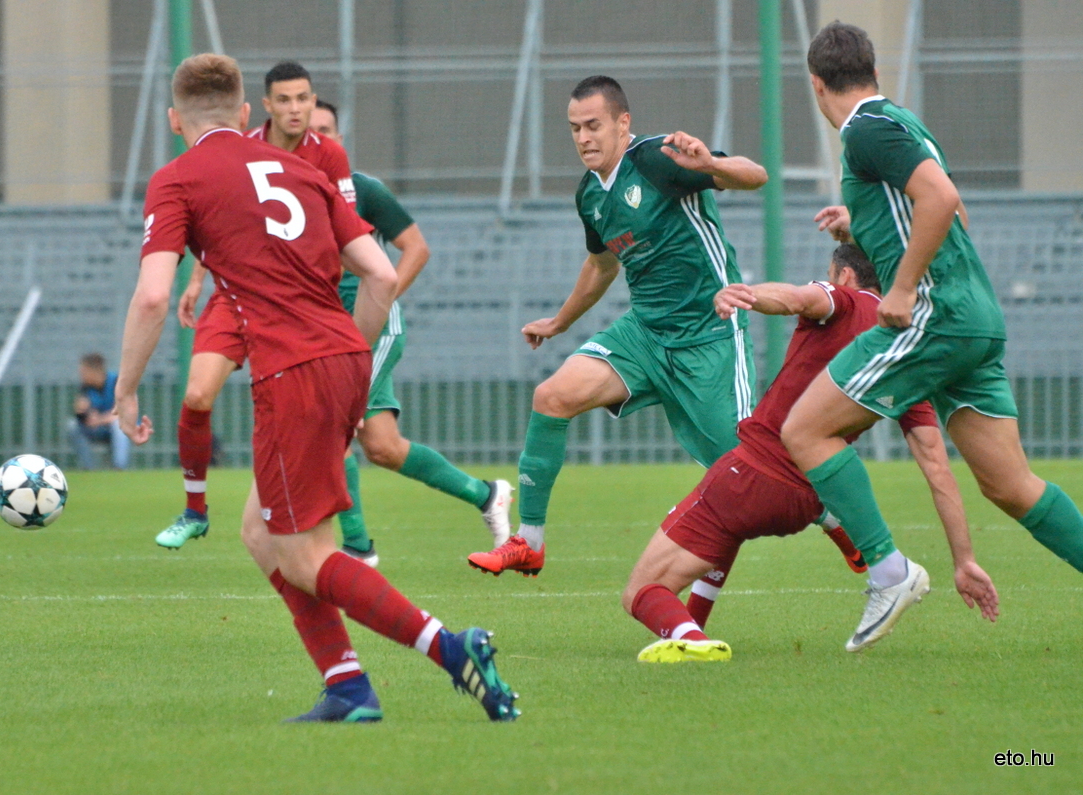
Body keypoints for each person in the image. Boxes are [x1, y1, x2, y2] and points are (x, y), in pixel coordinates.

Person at [115, 54, 519, 722]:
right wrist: (351, 359)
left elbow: (154, 296)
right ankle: (347, 684)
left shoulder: (177, 178)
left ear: (173, 120)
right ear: (249, 113)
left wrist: (125, 391)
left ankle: (451, 647)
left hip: (291, 371)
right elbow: (382, 277)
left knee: (305, 554)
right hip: (344, 354)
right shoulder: (309, 168)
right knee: (258, 531)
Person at [782, 21, 1083, 652]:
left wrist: (901, 287)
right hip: (974, 316)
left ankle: (889, 573)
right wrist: (860, 227)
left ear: (816, 83)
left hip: (935, 314)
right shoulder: (903, 122)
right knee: (1010, 485)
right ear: (873, 71)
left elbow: (942, 200)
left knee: (804, 431)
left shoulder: (864, 129)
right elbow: (951, 211)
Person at [623, 244, 999, 662]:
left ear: (843, 275)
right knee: (724, 530)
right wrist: (964, 560)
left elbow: (798, 298)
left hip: (754, 472)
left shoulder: (845, 299)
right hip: (805, 498)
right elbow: (937, 469)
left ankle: (691, 640)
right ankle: (697, 624)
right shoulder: (903, 356)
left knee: (639, 591)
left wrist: (746, 294)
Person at [468, 75, 767, 577]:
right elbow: (603, 265)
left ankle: (842, 526)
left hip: (707, 334)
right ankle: (529, 540)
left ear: (622, 123)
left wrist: (712, 164)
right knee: (552, 396)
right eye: (574, 128)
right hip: (645, 334)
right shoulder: (590, 195)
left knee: (750, 475)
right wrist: (560, 322)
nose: (584, 137)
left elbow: (755, 175)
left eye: (594, 125)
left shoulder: (655, 159)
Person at [158, 60, 357, 550]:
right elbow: (227, 224)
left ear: (315, 103)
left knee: (365, 441)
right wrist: (198, 279)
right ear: (260, 108)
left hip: (295, 306)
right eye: (285, 99)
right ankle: (194, 509)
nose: (296, 109)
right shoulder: (242, 148)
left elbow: (345, 235)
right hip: (236, 296)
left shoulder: (328, 155)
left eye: (304, 99)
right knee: (198, 395)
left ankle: (354, 541)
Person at [308, 99, 513, 565]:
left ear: (340, 139)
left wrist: (382, 297)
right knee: (381, 446)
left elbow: (416, 248)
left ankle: (359, 549)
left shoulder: (363, 191)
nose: (320, 139)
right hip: (325, 333)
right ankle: (486, 495)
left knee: (331, 429)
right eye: (311, 132)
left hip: (371, 331)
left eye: (328, 130)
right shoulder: (290, 196)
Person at [69, 353, 131, 470]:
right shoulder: (85, 388)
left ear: (94, 371)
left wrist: (99, 420)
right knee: (72, 426)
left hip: (117, 427)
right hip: (97, 429)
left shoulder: (116, 382)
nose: (81, 376)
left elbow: (121, 414)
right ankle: (88, 468)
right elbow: (83, 416)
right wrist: (82, 413)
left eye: (84, 372)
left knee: (118, 425)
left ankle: (119, 467)